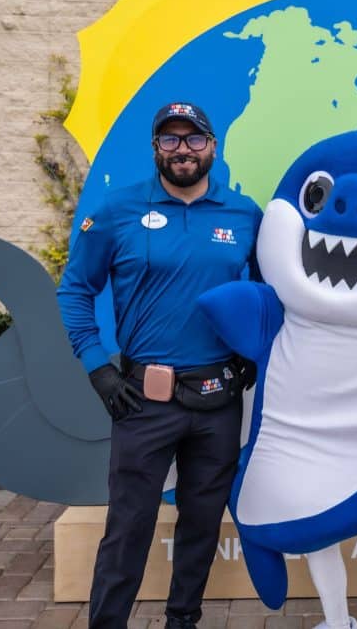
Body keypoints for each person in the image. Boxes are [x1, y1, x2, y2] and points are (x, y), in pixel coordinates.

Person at [57, 101, 262, 629]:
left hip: (218, 399)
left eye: (193, 139)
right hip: (141, 398)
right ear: (155, 149)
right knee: (128, 525)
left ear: (213, 146)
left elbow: (268, 294)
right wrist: (97, 367)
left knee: (201, 522)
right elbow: (76, 290)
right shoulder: (117, 211)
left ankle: (182, 620)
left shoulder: (244, 215)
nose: (183, 150)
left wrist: (252, 351)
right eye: (169, 140)